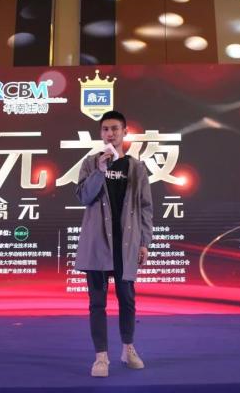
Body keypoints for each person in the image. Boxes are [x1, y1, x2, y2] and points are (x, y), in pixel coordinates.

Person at [75, 110, 153, 377]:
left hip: (126, 245)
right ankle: (101, 357)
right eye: (105, 129)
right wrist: (99, 171)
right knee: (97, 303)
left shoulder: (136, 167)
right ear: (101, 133)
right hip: (97, 243)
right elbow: (83, 197)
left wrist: (144, 242)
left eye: (115, 129)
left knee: (127, 300)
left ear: (124, 132)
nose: (110, 134)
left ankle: (128, 348)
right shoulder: (90, 163)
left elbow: (146, 207)